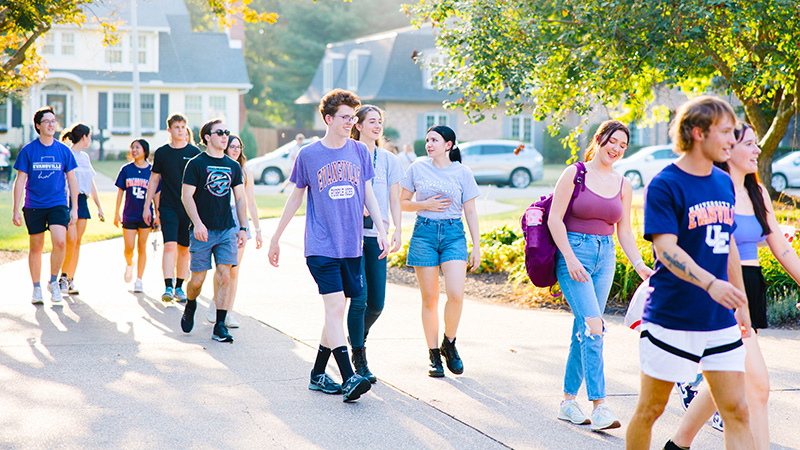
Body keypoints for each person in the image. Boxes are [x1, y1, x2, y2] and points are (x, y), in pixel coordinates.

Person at [626, 96, 754, 450]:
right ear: (698, 132)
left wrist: (739, 301)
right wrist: (710, 283)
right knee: (651, 409)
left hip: (718, 319)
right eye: (726, 132)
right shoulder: (666, 184)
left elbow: (727, 246)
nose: (733, 139)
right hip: (672, 316)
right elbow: (665, 250)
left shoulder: (723, 181)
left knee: (737, 410)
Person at [669, 122, 800, 450]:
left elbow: (781, 247)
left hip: (751, 288)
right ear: (728, 149)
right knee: (757, 387)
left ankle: (678, 443)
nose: (758, 150)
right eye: (750, 144)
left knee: (727, 379)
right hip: (722, 292)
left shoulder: (758, 192)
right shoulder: (712, 192)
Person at [268, 89, 388, 402]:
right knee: (335, 307)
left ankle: (318, 374)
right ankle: (349, 377)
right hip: (321, 245)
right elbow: (295, 196)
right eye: (345, 117)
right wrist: (276, 236)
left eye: (353, 117)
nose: (351, 122)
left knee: (336, 312)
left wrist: (381, 228)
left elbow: (368, 193)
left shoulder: (360, 152)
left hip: (353, 245)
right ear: (328, 118)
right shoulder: (309, 155)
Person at [548, 120, 653, 432]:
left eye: (623, 145)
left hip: (605, 257)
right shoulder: (575, 173)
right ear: (600, 139)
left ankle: (568, 401)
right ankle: (600, 406)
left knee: (584, 327)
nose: (617, 149)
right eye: (613, 141)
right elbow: (555, 219)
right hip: (574, 254)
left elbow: (625, 232)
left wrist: (638, 264)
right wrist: (568, 257)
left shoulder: (623, 184)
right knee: (595, 327)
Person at [399, 125, 481, 378]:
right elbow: (401, 203)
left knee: (456, 294)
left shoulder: (462, 172)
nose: (429, 144)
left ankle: (450, 343)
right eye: (427, 140)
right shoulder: (417, 168)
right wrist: (424, 204)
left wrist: (476, 245)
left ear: (449, 145)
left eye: (434, 139)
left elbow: (470, 210)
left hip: (453, 234)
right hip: (424, 233)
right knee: (430, 299)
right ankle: (434, 354)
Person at [346, 105, 404, 382]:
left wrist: (397, 230)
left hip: (377, 237)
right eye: (372, 121)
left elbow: (394, 199)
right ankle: (359, 357)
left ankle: (357, 334)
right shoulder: (347, 153)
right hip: (350, 238)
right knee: (358, 300)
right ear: (358, 125)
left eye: (380, 121)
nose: (377, 125)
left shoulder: (389, 160)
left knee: (376, 304)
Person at [179, 119, 247, 343]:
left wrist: (243, 228)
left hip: (226, 229)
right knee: (197, 280)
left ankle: (220, 324)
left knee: (225, 275)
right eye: (220, 132)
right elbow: (186, 196)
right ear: (207, 137)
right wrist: (197, 223)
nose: (225, 136)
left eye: (226, 132)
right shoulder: (196, 164)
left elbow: (240, 199)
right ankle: (191, 304)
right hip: (202, 230)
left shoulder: (233, 166)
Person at [11, 106, 78, 304]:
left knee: (60, 242)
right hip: (34, 205)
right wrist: (16, 208)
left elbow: (72, 180)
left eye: (53, 120)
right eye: (46, 121)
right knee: (36, 246)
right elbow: (20, 180)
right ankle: (37, 288)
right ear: (38, 126)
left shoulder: (63, 150)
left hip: (58, 203)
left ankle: (54, 281)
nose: (51, 124)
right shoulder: (29, 150)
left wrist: (74, 207)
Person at [206, 134, 263, 328]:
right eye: (232, 146)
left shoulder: (245, 172)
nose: (236, 150)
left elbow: (250, 203)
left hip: (239, 224)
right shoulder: (216, 168)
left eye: (239, 147)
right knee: (223, 268)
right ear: (224, 147)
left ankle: (229, 312)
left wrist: (257, 228)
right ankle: (216, 302)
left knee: (234, 271)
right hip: (221, 222)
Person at [143, 114, 200, 304]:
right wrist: (147, 206)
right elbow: (154, 180)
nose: (181, 130)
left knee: (184, 249)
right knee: (169, 246)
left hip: (189, 208)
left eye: (183, 127)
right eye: (177, 127)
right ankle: (168, 286)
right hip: (168, 207)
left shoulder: (194, 153)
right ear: (169, 130)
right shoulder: (162, 153)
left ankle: (179, 287)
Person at [59, 123, 104, 295]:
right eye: (90, 136)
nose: (90, 139)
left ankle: (70, 280)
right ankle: (61, 277)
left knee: (77, 243)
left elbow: (90, 183)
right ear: (84, 137)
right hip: (68, 200)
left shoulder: (85, 157)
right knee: (70, 241)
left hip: (82, 201)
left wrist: (99, 206)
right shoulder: (65, 153)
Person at [114, 139, 159, 293]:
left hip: (145, 216)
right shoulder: (126, 169)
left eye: (137, 148)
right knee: (129, 248)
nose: (134, 150)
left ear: (145, 151)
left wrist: (157, 215)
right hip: (129, 215)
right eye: (132, 147)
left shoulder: (153, 171)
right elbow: (120, 192)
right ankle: (129, 264)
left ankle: (139, 280)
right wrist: (116, 213)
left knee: (142, 247)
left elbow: (157, 195)